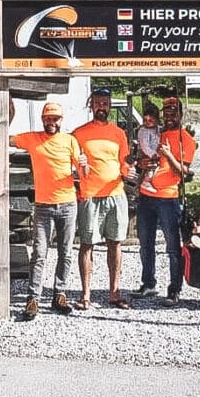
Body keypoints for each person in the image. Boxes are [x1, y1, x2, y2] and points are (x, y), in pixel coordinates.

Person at [11, 102, 87, 320]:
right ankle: (33, 298)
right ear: (43, 119)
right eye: (48, 118)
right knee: (39, 253)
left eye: (55, 118)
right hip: (43, 205)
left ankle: (59, 294)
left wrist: (83, 164)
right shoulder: (33, 139)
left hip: (68, 204)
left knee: (66, 252)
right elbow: (8, 138)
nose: (51, 122)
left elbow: (83, 174)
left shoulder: (70, 141)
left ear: (61, 120)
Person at [72, 87, 136, 310]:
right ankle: (86, 294)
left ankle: (114, 293)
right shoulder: (78, 133)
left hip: (116, 194)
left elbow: (124, 162)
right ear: (91, 105)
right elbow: (70, 163)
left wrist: (128, 170)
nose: (102, 106)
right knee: (87, 244)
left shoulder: (119, 133)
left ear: (109, 105)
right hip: (90, 196)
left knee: (115, 243)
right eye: (98, 102)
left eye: (105, 103)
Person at [132, 96, 195, 307]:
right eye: (166, 113)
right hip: (146, 194)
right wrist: (141, 163)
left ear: (180, 114)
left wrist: (168, 154)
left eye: (173, 113)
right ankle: (148, 283)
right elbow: (142, 158)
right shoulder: (155, 132)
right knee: (145, 243)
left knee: (172, 247)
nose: (169, 117)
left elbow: (185, 172)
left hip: (169, 197)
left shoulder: (185, 138)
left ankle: (174, 289)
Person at [137, 102, 161, 194]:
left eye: (150, 121)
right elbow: (144, 145)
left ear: (157, 120)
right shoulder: (144, 131)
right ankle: (146, 181)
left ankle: (152, 181)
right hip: (146, 152)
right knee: (150, 165)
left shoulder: (157, 129)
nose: (147, 123)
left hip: (155, 152)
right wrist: (152, 154)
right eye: (145, 120)